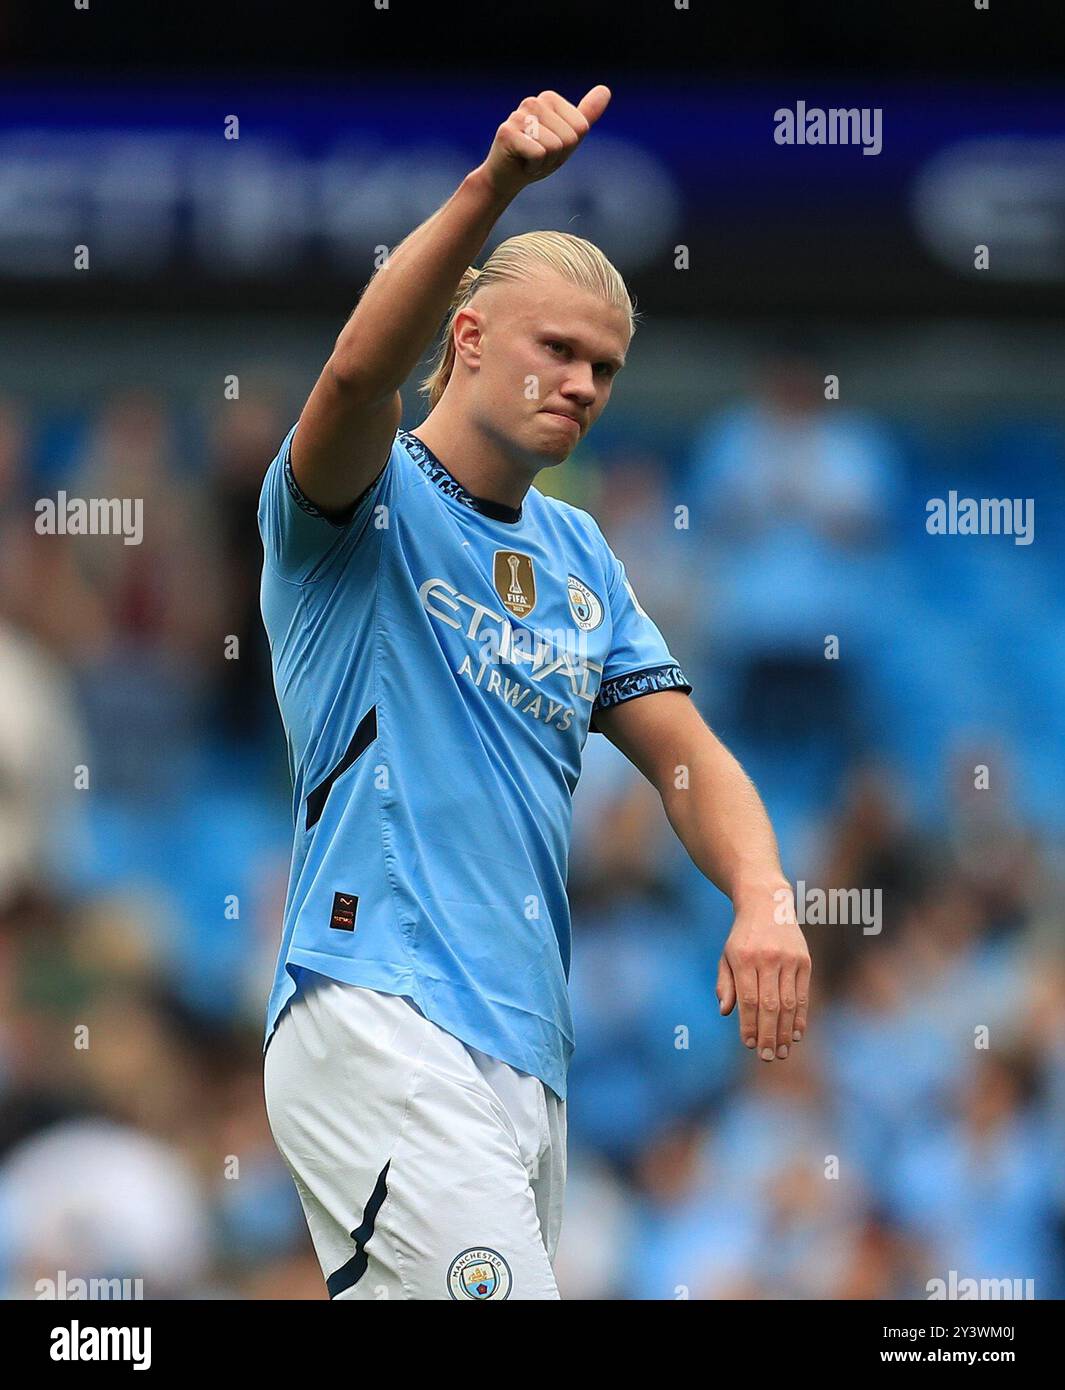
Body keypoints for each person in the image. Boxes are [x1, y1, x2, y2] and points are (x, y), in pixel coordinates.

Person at [259, 85, 811, 1301]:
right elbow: (355, 378)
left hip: (525, 1054)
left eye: (603, 366)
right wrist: (494, 185)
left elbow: (689, 758)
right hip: (379, 1012)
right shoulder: (357, 506)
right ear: (464, 340)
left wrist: (764, 892)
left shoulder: (582, 560)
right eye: (554, 348)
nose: (582, 383)